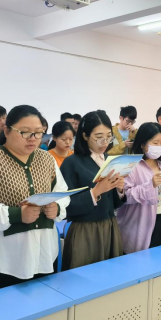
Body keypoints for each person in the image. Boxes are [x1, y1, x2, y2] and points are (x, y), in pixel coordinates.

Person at [0, 105, 70, 293]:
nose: (33, 138)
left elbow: (62, 192)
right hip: (5, 258)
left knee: (44, 304)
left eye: (38, 133)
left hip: (44, 251)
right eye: (25, 132)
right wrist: (16, 214)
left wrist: (57, 208)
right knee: (4, 307)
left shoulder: (47, 159)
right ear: (7, 131)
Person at [60, 110, 126, 270]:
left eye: (109, 137)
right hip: (85, 231)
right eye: (98, 137)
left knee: (110, 276)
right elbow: (65, 206)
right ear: (85, 136)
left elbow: (114, 203)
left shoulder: (109, 160)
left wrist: (119, 190)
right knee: (83, 278)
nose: (105, 142)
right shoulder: (72, 163)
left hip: (109, 226)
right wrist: (95, 192)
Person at [117, 123, 161, 254]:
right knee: (143, 260)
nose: (159, 147)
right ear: (142, 144)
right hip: (140, 223)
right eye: (155, 143)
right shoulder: (131, 165)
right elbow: (125, 196)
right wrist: (150, 185)